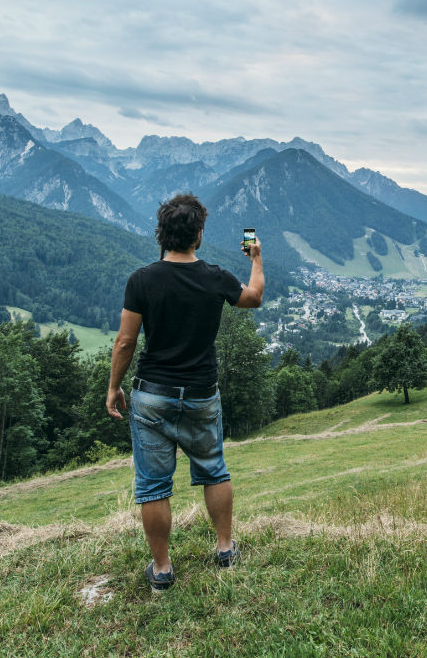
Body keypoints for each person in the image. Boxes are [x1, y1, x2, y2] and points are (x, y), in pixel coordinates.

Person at [106, 193, 263, 592]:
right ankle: (225, 549)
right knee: (214, 469)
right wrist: (256, 258)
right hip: (200, 393)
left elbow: (125, 342)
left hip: (152, 394)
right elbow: (253, 297)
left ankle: (162, 570)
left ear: (161, 233)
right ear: (198, 234)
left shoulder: (141, 279)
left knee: (153, 486)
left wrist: (113, 387)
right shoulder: (216, 277)